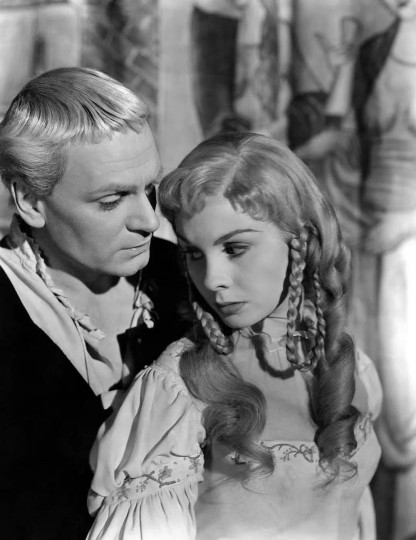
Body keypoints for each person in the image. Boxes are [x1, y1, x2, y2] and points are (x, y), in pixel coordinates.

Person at [86, 132, 383, 540]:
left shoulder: (353, 368)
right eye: (193, 253)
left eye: (235, 248)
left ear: (301, 240)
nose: (211, 280)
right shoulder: (178, 389)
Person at [0, 67, 188, 539]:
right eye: (112, 199)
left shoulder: (187, 278)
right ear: (30, 200)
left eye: (149, 189)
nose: (149, 220)